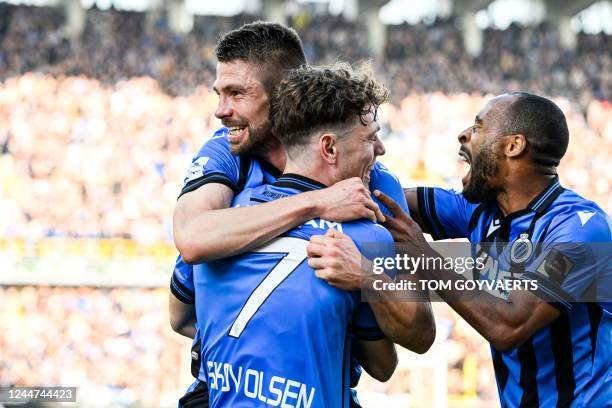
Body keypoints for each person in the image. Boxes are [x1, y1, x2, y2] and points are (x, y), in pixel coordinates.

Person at [168, 21, 423, 406]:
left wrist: (415, 256)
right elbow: (191, 239)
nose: (221, 111)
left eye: (237, 93)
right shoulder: (227, 150)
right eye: (220, 94)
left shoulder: (374, 181)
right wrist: (316, 204)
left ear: (283, 92)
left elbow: (416, 320)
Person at [307, 92, 611, 407]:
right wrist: (355, 150)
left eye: (478, 127)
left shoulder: (581, 230)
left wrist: (422, 256)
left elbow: (508, 325)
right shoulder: (481, 210)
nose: (463, 134)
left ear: (513, 146)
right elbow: (388, 199)